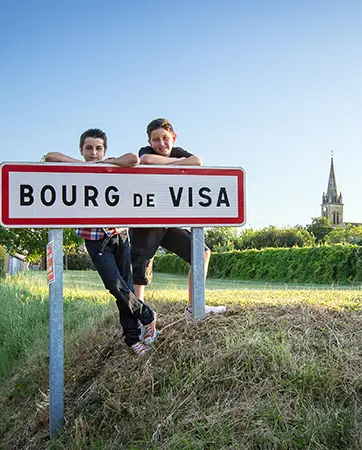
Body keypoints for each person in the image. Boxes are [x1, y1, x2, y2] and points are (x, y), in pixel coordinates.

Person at [45, 128, 158, 356]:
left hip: (119, 235)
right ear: (81, 149)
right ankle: (147, 315)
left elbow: (133, 159)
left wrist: (109, 162)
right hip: (94, 238)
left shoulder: (111, 166)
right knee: (114, 285)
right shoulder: (77, 168)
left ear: (105, 150)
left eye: (98, 148)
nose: (94, 153)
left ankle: (132, 338)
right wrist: (84, 165)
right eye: (89, 148)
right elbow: (50, 156)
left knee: (124, 287)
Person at [130, 118, 226, 316]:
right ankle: (137, 318)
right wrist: (178, 164)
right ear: (149, 142)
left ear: (173, 137)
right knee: (141, 268)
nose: (161, 143)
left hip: (169, 221)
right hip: (146, 220)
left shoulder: (178, 150)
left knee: (201, 253)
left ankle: (195, 307)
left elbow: (197, 162)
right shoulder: (145, 152)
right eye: (156, 140)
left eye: (165, 138)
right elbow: (147, 161)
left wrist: (170, 162)